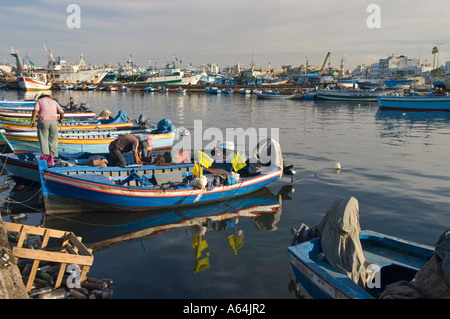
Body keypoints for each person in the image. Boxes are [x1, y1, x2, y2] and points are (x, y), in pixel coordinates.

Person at [30, 92, 65, 158]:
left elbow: (35, 110)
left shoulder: (39, 101)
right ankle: (55, 157)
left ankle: (47, 157)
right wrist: (61, 119)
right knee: (53, 140)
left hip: (43, 122)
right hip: (54, 122)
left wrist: (32, 121)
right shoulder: (54, 102)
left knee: (44, 140)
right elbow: (62, 112)